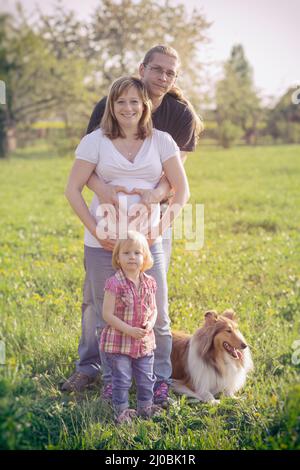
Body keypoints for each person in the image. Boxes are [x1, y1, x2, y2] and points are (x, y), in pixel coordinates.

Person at [63, 76, 190, 407]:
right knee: (103, 313)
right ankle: (109, 379)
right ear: (111, 106)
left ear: (145, 106)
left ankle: (158, 380)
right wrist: (95, 228)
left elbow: (182, 191)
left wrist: (158, 230)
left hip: (147, 244)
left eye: (134, 101)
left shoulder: (162, 142)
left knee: (158, 314)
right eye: (120, 102)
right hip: (102, 243)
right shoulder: (95, 141)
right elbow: (72, 189)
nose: (128, 108)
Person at [101, 231, 162, 423]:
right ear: (118, 258)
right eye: (126, 253)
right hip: (119, 343)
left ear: (145, 258)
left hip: (144, 342)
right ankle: (122, 411)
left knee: (146, 378)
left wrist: (150, 324)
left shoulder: (149, 283)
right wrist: (129, 330)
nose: (132, 257)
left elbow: (153, 309)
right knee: (122, 379)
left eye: (137, 253)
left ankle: (146, 407)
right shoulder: (114, 283)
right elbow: (107, 314)